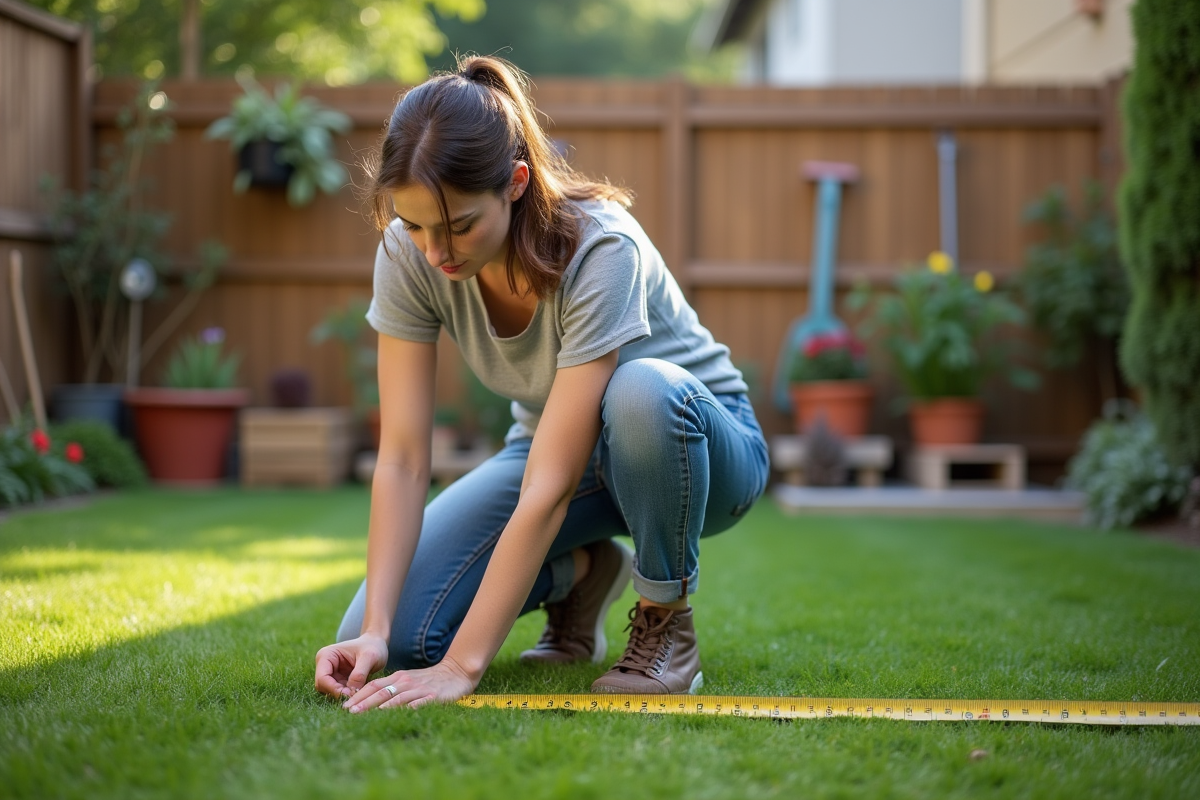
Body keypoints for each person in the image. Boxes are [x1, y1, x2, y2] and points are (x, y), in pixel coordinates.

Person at [313, 55, 769, 712]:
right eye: (415, 225)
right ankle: (582, 575)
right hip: (558, 457)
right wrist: (378, 631)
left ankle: (666, 621)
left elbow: (550, 489)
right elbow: (405, 457)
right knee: (388, 641)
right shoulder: (406, 256)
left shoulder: (601, 248)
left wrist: (465, 667)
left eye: (460, 224)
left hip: (698, 451)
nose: (437, 251)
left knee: (640, 392)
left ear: (516, 183)